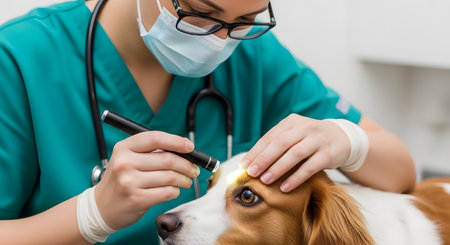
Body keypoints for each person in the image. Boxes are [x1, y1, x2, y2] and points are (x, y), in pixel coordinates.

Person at [0, 0, 416, 244]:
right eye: (198, 12)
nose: (218, 41)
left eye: (245, 20)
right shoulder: (19, 58)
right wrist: (90, 214)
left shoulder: (253, 57)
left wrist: (346, 140)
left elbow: (402, 171)